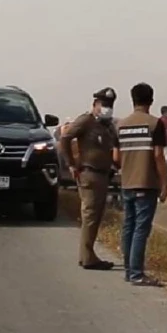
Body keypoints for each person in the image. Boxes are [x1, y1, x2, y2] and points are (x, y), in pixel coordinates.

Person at [60, 88, 120, 271]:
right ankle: (88, 257)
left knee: (96, 216)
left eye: (110, 105)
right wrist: (71, 164)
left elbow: (116, 146)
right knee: (90, 216)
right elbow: (65, 138)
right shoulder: (86, 120)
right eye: (103, 105)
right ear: (95, 105)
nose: (107, 109)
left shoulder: (107, 125)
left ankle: (87, 254)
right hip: (89, 173)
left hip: (103, 175)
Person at [117, 83, 167, 285]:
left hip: (126, 182)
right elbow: (158, 156)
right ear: (151, 100)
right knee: (141, 229)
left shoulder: (120, 124)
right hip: (146, 183)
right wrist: (165, 183)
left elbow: (116, 156)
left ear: (133, 100)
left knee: (128, 226)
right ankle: (137, 274)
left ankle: (128, 270)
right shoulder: (155, 124)